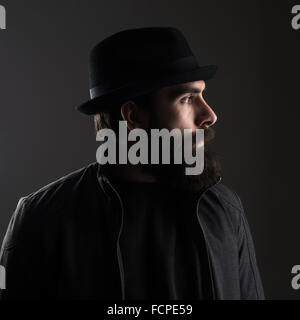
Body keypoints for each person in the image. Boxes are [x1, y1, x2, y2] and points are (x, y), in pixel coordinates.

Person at [0, 27, 264, 300]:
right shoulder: (42, 219)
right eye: (186, 98)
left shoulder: (224, 210)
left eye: (202, 96)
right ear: (134, 117)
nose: (209, 115)